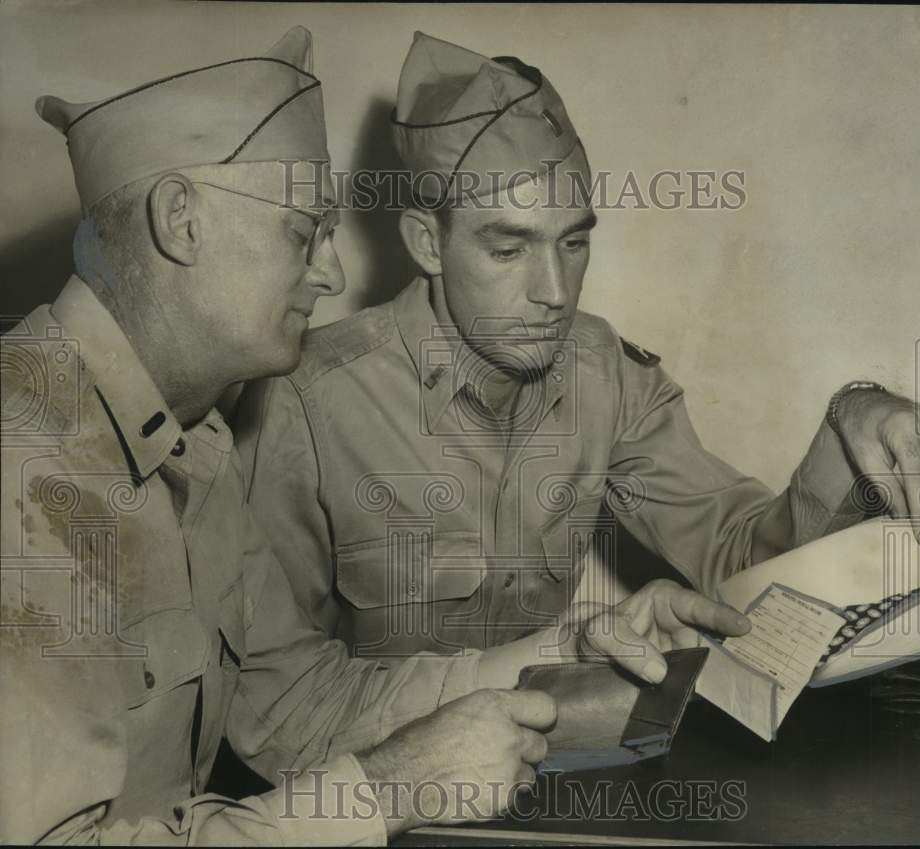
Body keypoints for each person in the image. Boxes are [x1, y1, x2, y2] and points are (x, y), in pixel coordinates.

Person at [1, 27, 737, 845]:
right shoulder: (25, 466)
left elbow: (298, 701)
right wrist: (387, 789)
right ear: (181, 220)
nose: (334, 274)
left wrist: (569, 646)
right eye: (303, 232)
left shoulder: (195, 442)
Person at [233, 31, 920, 661]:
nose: (554, 290)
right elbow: (271, 694)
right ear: (427, 241)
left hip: (542, 784)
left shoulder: (604, 378)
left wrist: (854, 414)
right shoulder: (304, 402)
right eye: (508, 249)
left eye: (574, 241)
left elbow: (741, 555)